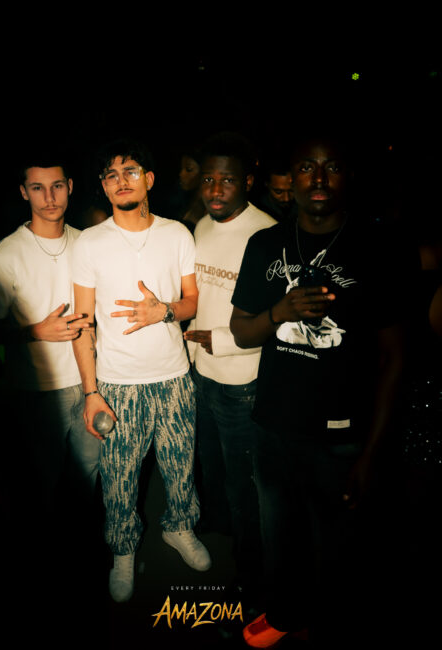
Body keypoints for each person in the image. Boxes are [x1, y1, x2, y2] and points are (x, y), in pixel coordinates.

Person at [230, 135, 406, 647]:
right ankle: (286, 615)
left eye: (332, 167)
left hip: (342, 438)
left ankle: (331, 627)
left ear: (349, 177)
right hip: (273, 426)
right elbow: (242, 332)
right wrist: (280, 311)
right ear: (291, 180)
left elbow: (396, 357)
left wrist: (371, 453)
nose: (320, 178)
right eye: (307, 167)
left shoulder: (380, 248)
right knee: (279, 538)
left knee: (338, 547)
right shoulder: (265, 244)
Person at [71, 138, 211, 604]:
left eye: (130, 171)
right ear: (103, 187)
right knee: (118, 477)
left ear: (148, 179)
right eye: (111, 175)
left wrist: (163, 311)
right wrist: (91, 391)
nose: (121, 181)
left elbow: (192, 301)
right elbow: (82, 324)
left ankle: (179, 528)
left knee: (180, 466)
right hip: (117, 384)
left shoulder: (177, 234)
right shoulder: (90, 243)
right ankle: (123, 550)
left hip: (174, 378)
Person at [0, 156, 100, 538]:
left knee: (88, 477)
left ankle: (81, 546)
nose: (49, 197)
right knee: (40, 484)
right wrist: (35, 331)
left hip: (92, 383)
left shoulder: (88, 243)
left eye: (57, 186)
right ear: (23, 192)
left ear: (70, 187)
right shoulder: (4, 257)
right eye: (37, 188)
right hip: (37, 392)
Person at [184, 132, 275, 603]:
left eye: (227, 180)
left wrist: (216, 340)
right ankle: (220, 531)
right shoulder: (201, 226)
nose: (215, 190)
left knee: (246, 485)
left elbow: (278, 322)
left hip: (244, 381)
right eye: (208, 179)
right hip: (202, 374)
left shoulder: (268, 235)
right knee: (211, 465)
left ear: (249, 182)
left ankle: (252, 573)